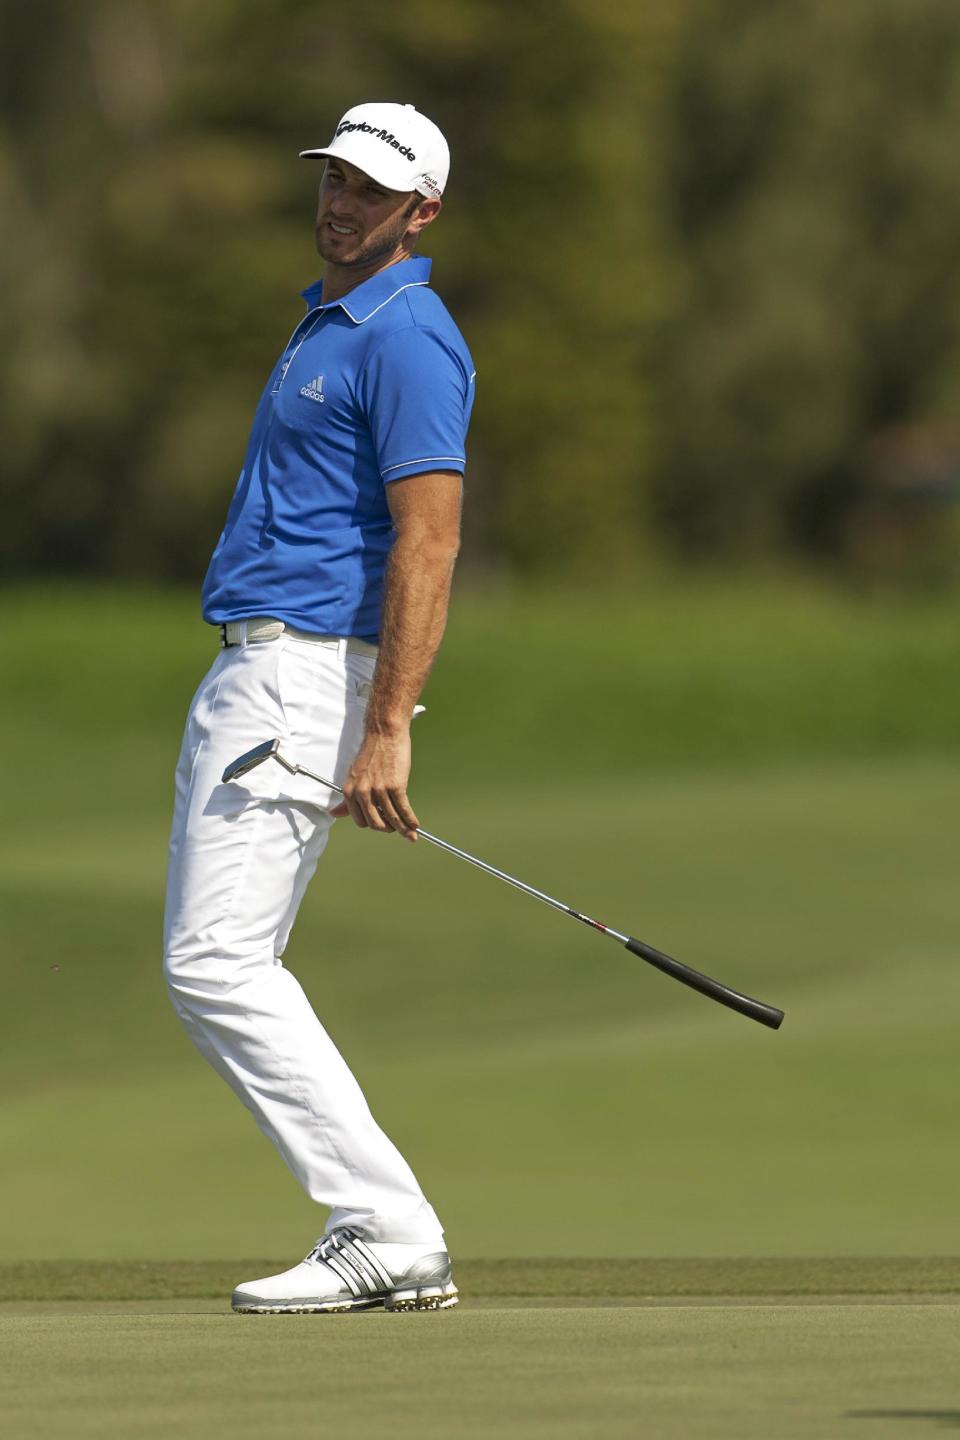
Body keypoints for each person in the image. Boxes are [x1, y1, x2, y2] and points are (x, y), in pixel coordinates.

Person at [162, 102, 475, 1315]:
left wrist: (390, 721)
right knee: (222, 959)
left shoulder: (406, 335)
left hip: (298, 673)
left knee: (216, 961)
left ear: (422, 212)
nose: (342, 203)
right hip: (257, 670)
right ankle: (386, 1227)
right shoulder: (331, 322)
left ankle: (388, 1228)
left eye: (372, 190)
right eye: (336, 179)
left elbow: (431, 541)